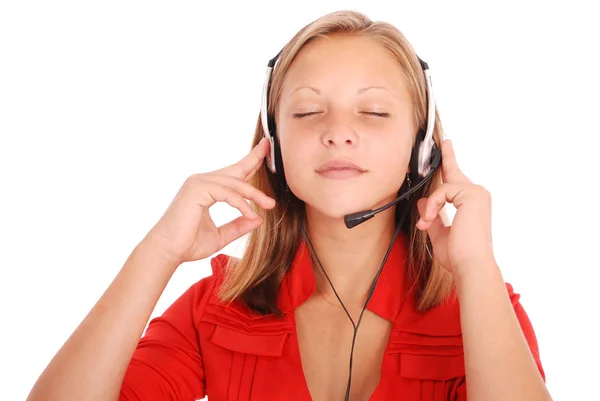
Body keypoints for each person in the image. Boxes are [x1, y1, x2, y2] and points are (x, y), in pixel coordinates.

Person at [26, 10, 552, 401]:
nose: (338, 132)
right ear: (273, 145)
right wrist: (158, 252)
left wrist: (477, 267)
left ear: (422, 147)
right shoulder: (216, 307)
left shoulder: (482, 308)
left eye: (372, 111)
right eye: (306, 112)